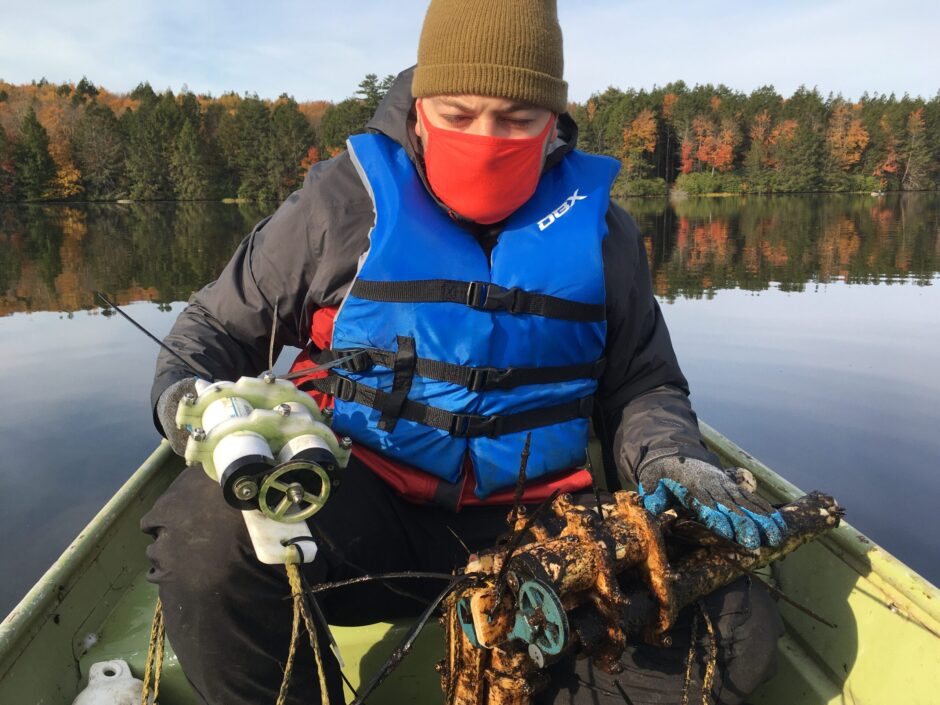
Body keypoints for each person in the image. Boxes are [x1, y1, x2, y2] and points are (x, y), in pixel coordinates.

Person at [145, 1, 786, 703]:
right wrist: (185, 403)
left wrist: (669, 456)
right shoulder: (339, 206)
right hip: (362, 505)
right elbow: (209, 330)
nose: (487, 139)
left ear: (552, 123)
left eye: (516, 119)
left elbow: (642, 383)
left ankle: (517, 673)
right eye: (457, 114)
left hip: (538, 532)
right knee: (203, 542)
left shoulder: (604, 234)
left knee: (737, 623)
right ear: (419, 110)